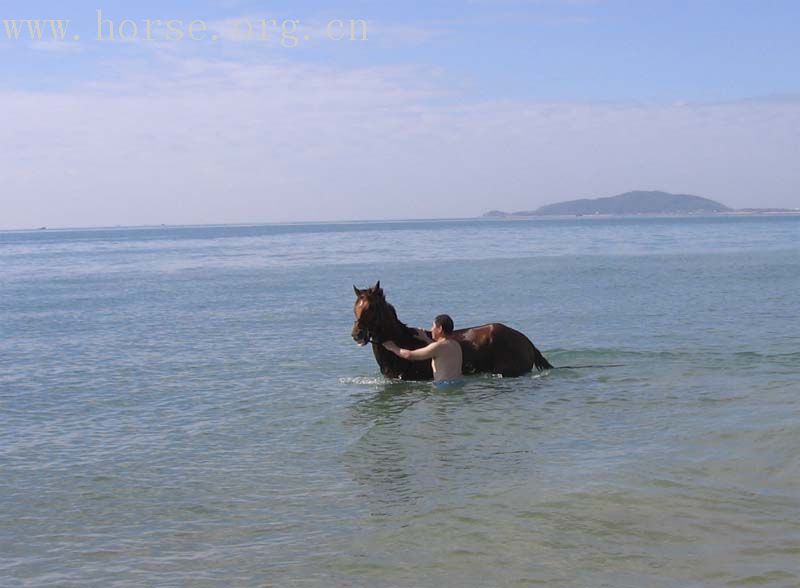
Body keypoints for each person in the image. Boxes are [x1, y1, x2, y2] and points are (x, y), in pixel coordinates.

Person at [382, 314, 463, 382]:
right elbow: (438, 350)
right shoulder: (456, 345)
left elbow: (410, 355)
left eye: (433, 326)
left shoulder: (437, 347)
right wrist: (425, 338)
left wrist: (392, 347)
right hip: (458, 383)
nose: (431, 329)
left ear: (440, 329)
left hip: (443, 386)